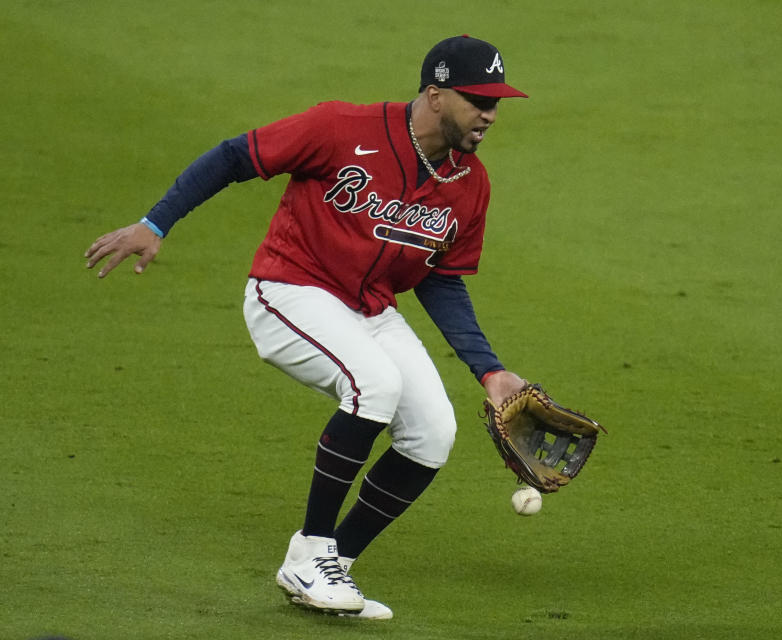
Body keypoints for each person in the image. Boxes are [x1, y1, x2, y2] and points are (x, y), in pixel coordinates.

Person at [84, 35, 529, 620]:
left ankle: (331, 568)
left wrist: (490, 371)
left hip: (368, 308)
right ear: (436, 95)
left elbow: (441, 279)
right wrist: (156, 223)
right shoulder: (341, 128)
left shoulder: (469, 183)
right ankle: (309, 551)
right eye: (479, 100)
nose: (490, 115)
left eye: (497, 103)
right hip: (289, 289)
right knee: (374, 384)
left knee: (432, 433)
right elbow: (234, 156)